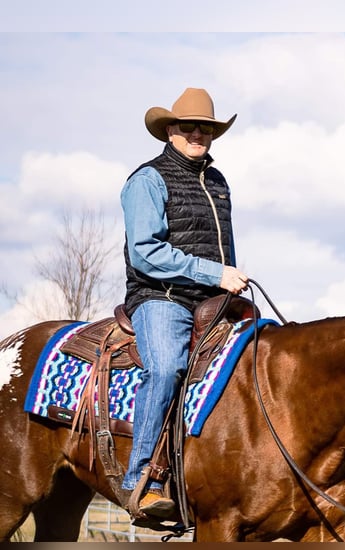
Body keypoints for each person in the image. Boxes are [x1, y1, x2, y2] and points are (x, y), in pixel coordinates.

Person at [120, 87, 249, 518]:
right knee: (165, 369)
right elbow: (145, 252)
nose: (199, 134)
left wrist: (228, 280)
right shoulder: (147, 180)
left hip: (213, 300)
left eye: (207, 128)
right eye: (190, 126)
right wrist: (215, 274)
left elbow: (222, 247)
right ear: (169, 130)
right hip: (161, 296)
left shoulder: (217, 181)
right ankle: (142, 479)